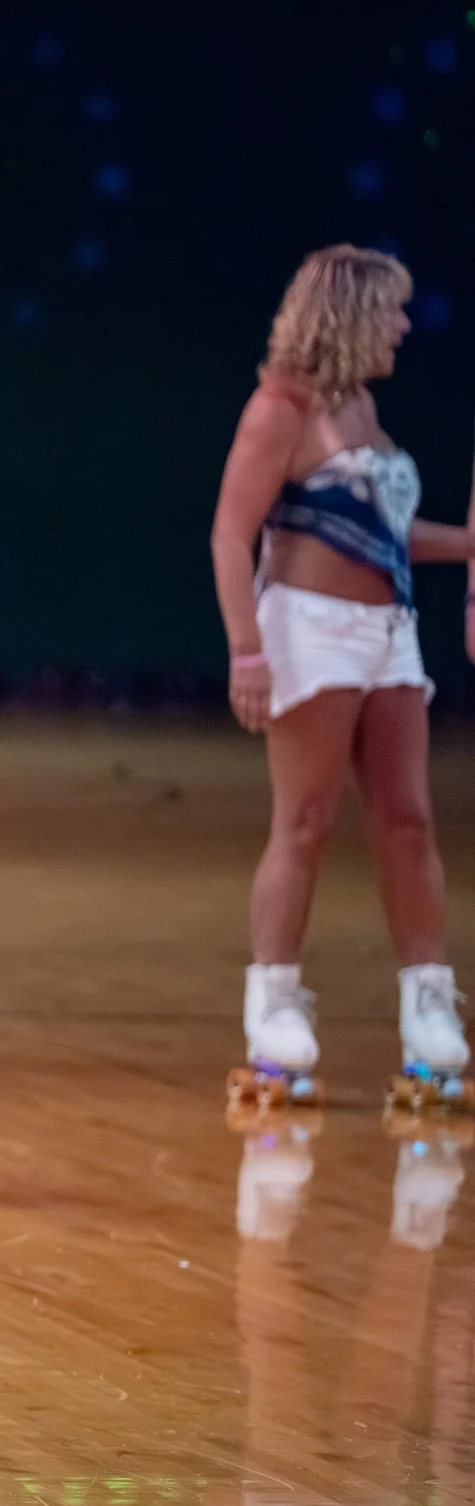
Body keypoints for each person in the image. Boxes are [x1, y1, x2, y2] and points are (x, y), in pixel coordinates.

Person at [209, 244, 475, 1106]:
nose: (403, 325)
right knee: (308, 818)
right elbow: (229, 534)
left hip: (387, 631)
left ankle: (431, 1005)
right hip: (306, 632)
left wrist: (467, 544)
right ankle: (275, 1005)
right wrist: (247, 650)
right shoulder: (278, 409)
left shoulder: (362, 405)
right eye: (392, 310)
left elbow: (387, 534)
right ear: (352, 313)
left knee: (406, 819)